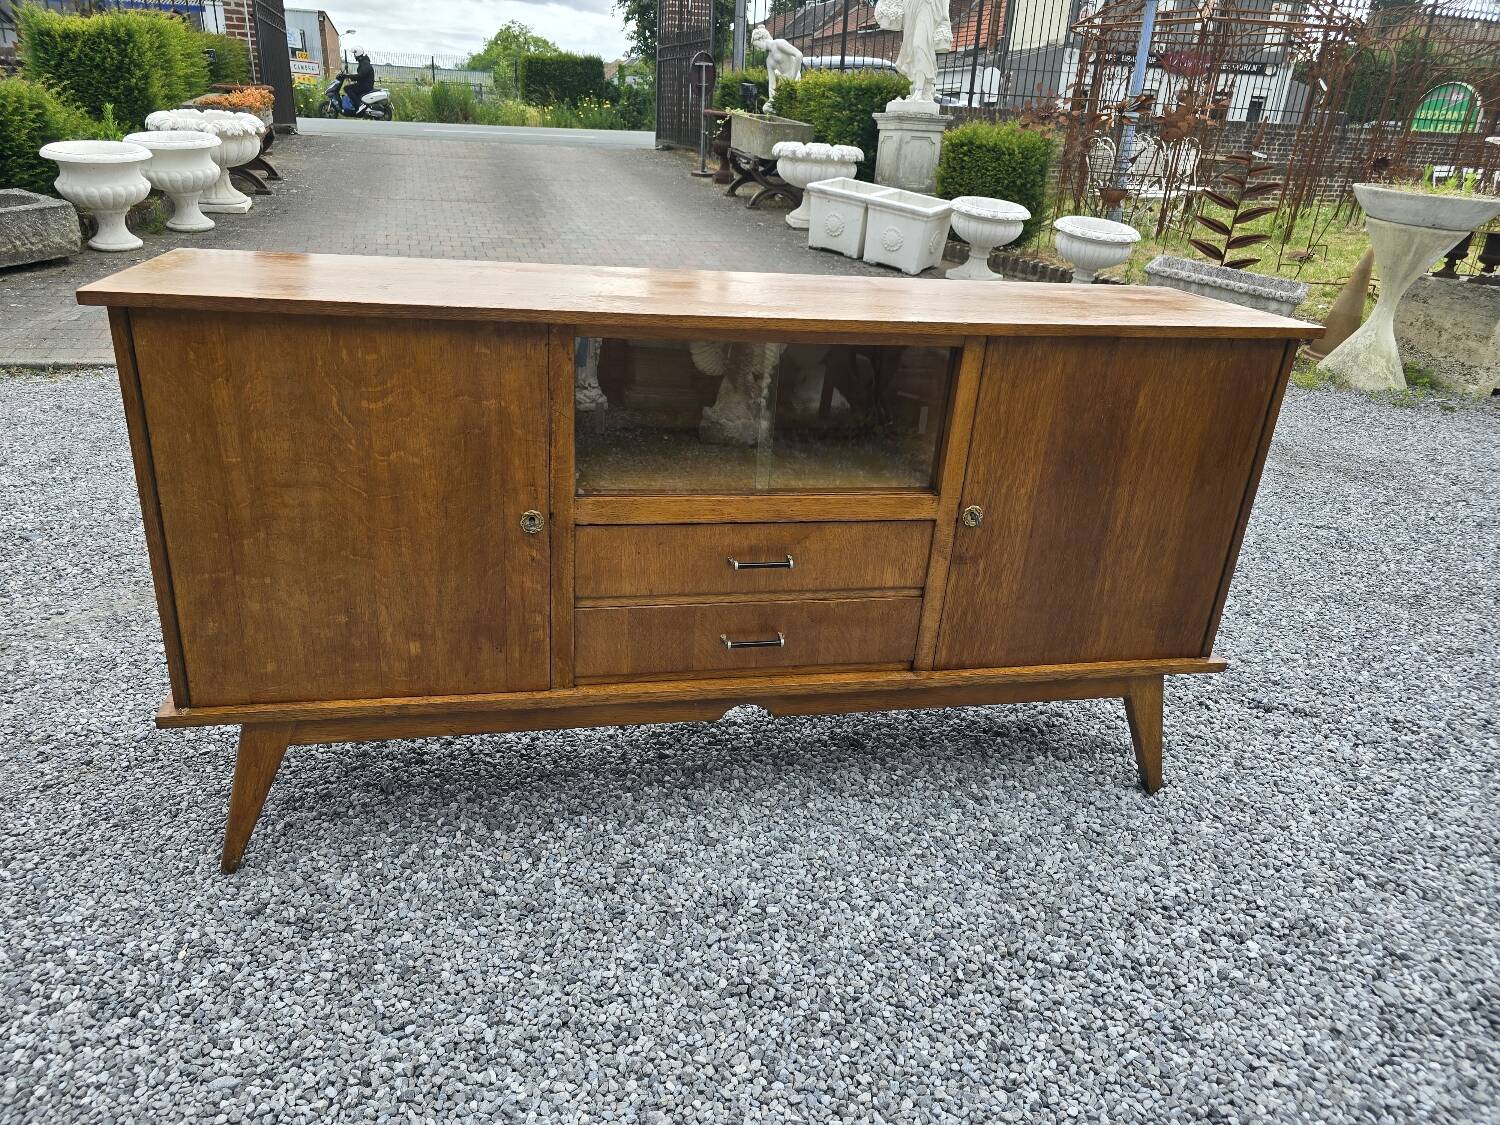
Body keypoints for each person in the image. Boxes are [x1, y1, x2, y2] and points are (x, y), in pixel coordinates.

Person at [343, 47, 374, 112]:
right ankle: (356, 105)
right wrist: (349, 76)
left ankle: (360, 104)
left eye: (354, 54)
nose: (354, 56)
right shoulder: (363, 62)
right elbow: (361, 75)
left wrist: (349, 76)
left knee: (347, 88)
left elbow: (361, 76)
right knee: (351, 87)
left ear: (357, 54)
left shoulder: (364, 63)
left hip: (365, 86)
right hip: (364, 84)